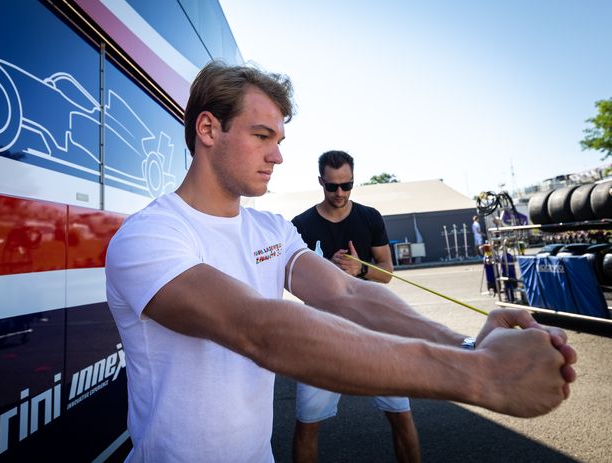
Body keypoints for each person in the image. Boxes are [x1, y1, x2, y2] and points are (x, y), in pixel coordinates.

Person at [105, 61, 576, 463]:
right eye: (262, 135)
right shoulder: (149, 235)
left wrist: (468, 344)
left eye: (280, 138)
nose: (278, 155)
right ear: (208, 129)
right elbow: (258, 329)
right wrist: (481, 376)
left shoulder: (269, 229)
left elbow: (345, 293)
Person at [291, 150, 420, 463]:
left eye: (346, 186)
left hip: (373, 327)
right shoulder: (300, 224)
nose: (339, 193)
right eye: (332, 186)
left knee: (401, 415)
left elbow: (386, 272)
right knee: (307, 424)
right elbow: (294, 281)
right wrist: (326, 270)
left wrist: (359, 269)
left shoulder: (370, 216)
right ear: (320, 181)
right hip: (321, 331)